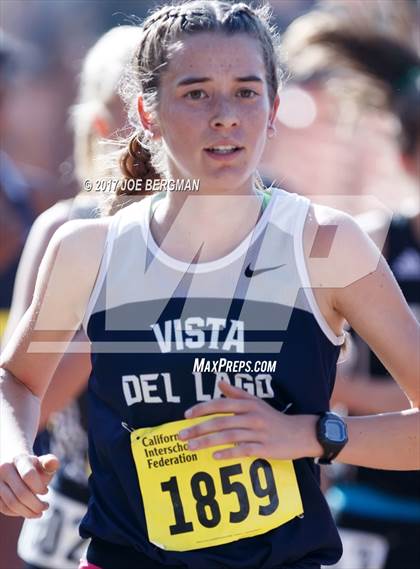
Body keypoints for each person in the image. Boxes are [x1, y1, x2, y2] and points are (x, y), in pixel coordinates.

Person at [0, 2, 418, 569]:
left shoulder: (325, 245)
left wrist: (311, 435)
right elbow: (17, 380)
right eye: (196, 92)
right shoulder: (88, 249)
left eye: (247, 91)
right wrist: (12, 451)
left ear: (272, 109)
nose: (225, 115)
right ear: (148, 114)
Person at [1, 25, 142, 569]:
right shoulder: (67, 226)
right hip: (77, 513)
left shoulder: (232, 230)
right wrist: (104, 331)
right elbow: (23, 396)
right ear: (103, 127)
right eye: (137, 110)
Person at [296, 25, 420, 569]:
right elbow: (311, 375)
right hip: (370, 506)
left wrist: (351, 390)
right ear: (410, 160)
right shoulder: (368, 244)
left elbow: (338, 389)